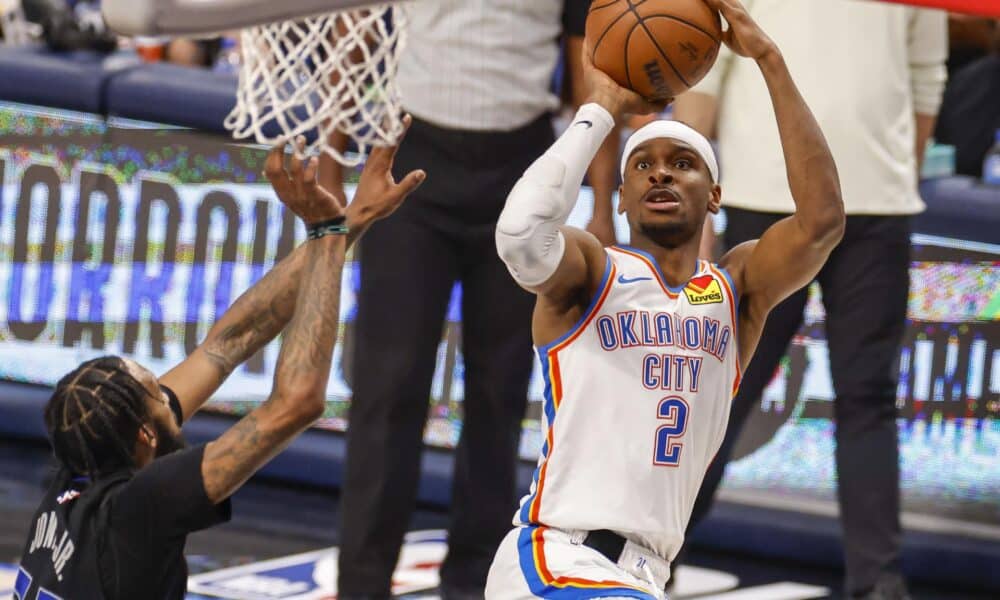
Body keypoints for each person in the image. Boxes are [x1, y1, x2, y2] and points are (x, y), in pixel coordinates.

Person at [486, 0, 844, 596]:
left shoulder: (735, 291)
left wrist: (770, 61)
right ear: (621, 199)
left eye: (683, 164)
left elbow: (822, 223)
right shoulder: (591, 271)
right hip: (559, 559)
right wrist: (601, 109)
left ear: (714, 197)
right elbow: (520, 234)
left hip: (643, 573)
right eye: (643, 166)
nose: (661, 175)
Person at [14, 132, 424, 600]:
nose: (170, 391)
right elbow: (298, 402)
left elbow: (226, 344)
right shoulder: (138, 508)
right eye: (157, 392)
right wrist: (326, 235)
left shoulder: (79, 462)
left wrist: (351, 219)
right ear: (145, 437)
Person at [317, 1, 619, 597]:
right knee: (387, 384)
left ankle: (474, 582)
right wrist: (330, 155)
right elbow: (353, 25)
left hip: (522, 165)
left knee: (499, 393)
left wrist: (603, 204)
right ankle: (361, 584)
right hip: (413, 153)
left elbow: (586, 64)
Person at [672, 2, 946, 598]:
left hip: (877, 206)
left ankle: (877, 582)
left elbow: (928, 73)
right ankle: (651, 555)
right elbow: (705, 65)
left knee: (868, 396)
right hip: (762, 195)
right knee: (720, 394)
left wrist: (897, 174)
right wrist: (696, 205)